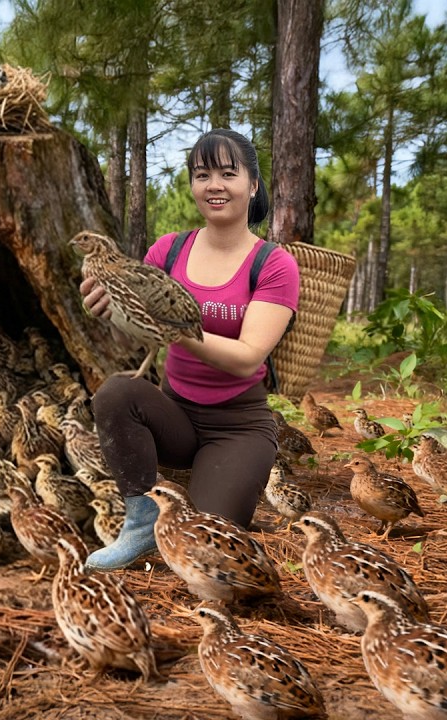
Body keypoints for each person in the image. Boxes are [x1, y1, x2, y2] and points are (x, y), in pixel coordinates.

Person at [78, 128, 300, 571]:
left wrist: (174, 329)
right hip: (176, 415)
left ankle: (221, 491)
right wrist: (113, 308)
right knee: (116, 393)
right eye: (202, 174)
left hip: (237, 427)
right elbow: (144, 330)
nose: (214, 185)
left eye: (227, 173)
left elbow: (248, 356)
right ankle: (140, 520)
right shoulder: (168, 250)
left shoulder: (273, 264)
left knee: (203, 545)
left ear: (252, 185)